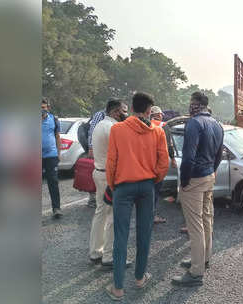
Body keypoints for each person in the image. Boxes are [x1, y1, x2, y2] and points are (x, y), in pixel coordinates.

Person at [105, 92, 169, 300]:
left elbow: (111, 162)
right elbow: (164, 163)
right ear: (149, 111)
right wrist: (154, 180)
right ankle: (140, 278)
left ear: (132, 108)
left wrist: (113, 185)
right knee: (144, 233)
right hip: (147, 186)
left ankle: (118, 288)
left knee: (121, 236)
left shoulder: (117, 129)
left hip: (123, 187)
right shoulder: (157, 132)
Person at [171, 92, 224, 287]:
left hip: (194, 178)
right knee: (207, 219)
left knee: (195, 225)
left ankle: (196, 272)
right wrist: (213, 171)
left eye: (191, 103)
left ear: (196, 104)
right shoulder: (217, 124)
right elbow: (219, 154)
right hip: (209, 176)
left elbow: (188, 157)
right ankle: (203, 259)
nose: (189, 106)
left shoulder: (194, 123)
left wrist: (184, 181)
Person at [88, 99, 129, 267]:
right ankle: (109, 256)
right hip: (110, 176)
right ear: (116, 111)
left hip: (98, 172)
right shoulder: (114, 128)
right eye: (124, 111)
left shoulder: (99, 125)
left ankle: (95, 252)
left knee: (100, 213)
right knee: (113, 216)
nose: (126, 114)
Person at [150, 106, 178, 224]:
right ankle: (152, 215)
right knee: (155, 190)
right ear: (160, 115)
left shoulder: (145, 124)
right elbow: (169, 145)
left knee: (148, 190)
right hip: (159, 163)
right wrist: (172, 158)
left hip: (146, 163)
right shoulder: (163, 126)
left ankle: (146, 213)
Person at [41, 98, 62, 218]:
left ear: (48, 108)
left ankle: (56, 208)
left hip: (51, 156)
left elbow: (57, 137)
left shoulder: (53, 119)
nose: (41, 110)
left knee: (53, 182)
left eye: (43, 107)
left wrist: (59, 153)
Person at [86, 108, 106, 208]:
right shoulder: (100, 114)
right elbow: (92, 131)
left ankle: (104, 198)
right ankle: (92, 199)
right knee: (96, 171)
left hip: (106, 149)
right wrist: (90, 147)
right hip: (97, 149)